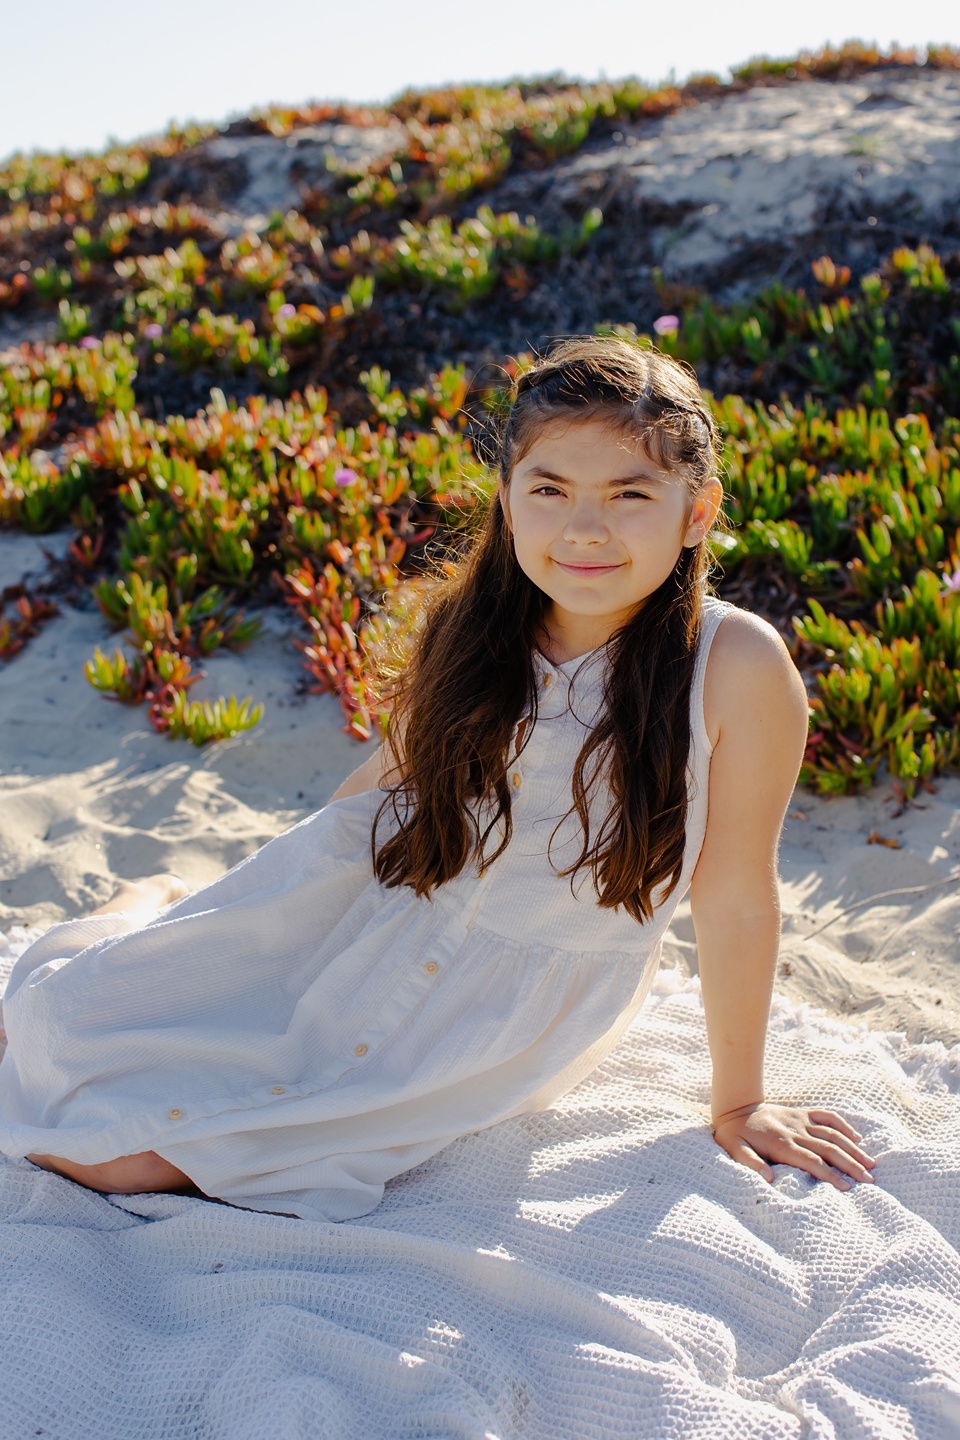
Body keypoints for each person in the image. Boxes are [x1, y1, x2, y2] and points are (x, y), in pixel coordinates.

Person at [0, 337, 876, 1220]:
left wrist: (740, 1100)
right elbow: (380, 788)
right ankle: (142, 911)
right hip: (376, 911)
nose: (584, 528)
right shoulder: (477, 627)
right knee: (61, 1022)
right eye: (549, 490)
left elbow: (734, 894)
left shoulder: (734, 665)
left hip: (497, 1009)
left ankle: (145, 915)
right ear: (507, 499)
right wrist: (247, 914)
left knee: (125, 1160)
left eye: (631, 494)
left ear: (697, 510)